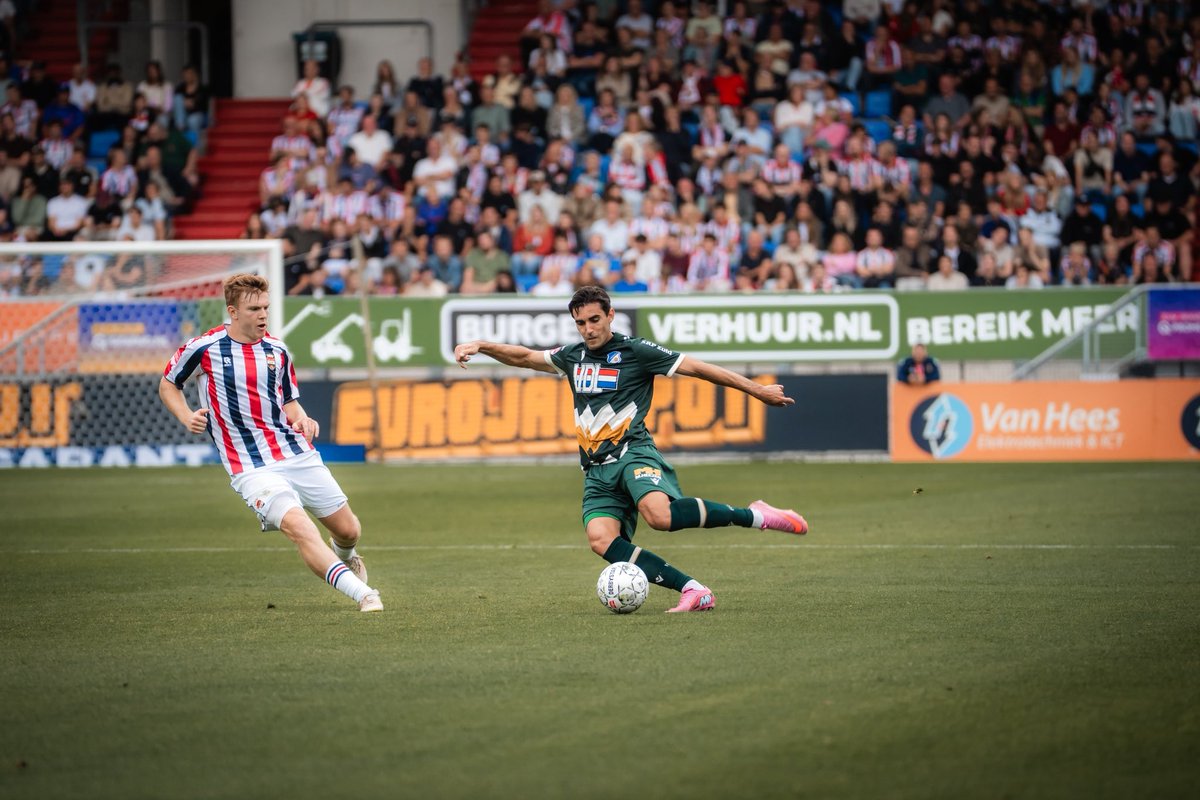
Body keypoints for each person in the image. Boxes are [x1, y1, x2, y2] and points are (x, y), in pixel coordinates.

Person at [453, 286, 808, 614]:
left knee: (660, 516)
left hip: (633, 453)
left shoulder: (636, 351)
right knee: (600, 539)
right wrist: (481, 345)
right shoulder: (572, 356)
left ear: (610, 315)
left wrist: (757, 390)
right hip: (595, 468)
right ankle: (694, 590)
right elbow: (526, 357)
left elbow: (698, 367)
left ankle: (756, 516)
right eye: (580, 323)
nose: (588, 329)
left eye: (594, 320)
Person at [158, 273, 383, 613]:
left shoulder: (277, 350)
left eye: (265, 307)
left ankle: (347, 557)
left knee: (349, 530)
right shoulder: (204, 348)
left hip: (294, 452)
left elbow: (289, 401)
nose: (262, 315)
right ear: (232, 311)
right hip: (249, 466)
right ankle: (364, 594)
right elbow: (168, 383)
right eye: (253, 309)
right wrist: (185, 415)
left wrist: (303, 419)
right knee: (300, 528)